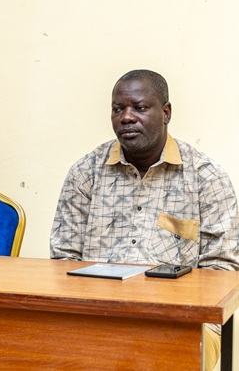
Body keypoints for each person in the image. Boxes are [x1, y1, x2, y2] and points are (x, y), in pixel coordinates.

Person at [50, 69, 239, 371]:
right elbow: (63, 259)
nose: (126, 117)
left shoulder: (206, 178)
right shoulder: (85, 173)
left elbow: (222, 271)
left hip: (182, 321)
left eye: (139, 108)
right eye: (118, 109)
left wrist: (167, 310)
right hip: (96, 316)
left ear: (166, 113)